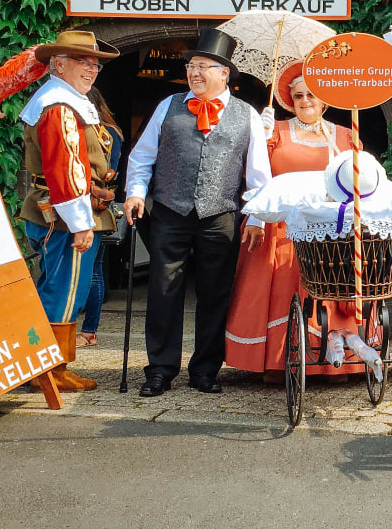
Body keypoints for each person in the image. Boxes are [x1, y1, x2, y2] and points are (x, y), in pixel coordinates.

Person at [124, 28, 273, 397]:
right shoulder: (168, 105)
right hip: (170, 212)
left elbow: (258, 174)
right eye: (192, 65)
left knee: (215, 294)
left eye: (205, 66)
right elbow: (142, 157)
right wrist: (135, 192)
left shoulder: (247, 115)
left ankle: (205, 370)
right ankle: (160, 369)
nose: (195, 72)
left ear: (224, 73)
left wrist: (255, 217)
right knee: (163, 290)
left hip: (220, 214)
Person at [224, 61, 362, 381]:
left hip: (326, 225)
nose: (305, 101)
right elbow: (257, 177)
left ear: (325, 100)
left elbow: (355, 183)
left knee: (326, 287)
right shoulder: (275, 132)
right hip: (279, 224)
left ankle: (331, 359)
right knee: (281, 291)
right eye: (298, 96)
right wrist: (257, 219)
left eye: (311, 95)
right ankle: (276, 360)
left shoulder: (343, 136)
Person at [18, 30, 120, 392]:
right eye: (83, 62)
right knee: (64, 292)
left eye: (95, 65)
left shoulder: (61, 100)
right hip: (63, 216)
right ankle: (49, 371)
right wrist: (81, 223)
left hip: (58, 213)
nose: (91, 70)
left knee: (60, 289)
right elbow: (65, 170)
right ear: (58, 64)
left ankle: (45, 367)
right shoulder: (60, 106)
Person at [76, 87, 124, 348]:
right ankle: (88, 329)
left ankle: (88, 329)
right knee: (93, 270)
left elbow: (109, 172)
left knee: (90, 270)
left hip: (93, 204)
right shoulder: (113, 131)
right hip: (96, 204)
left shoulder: (103, 132)